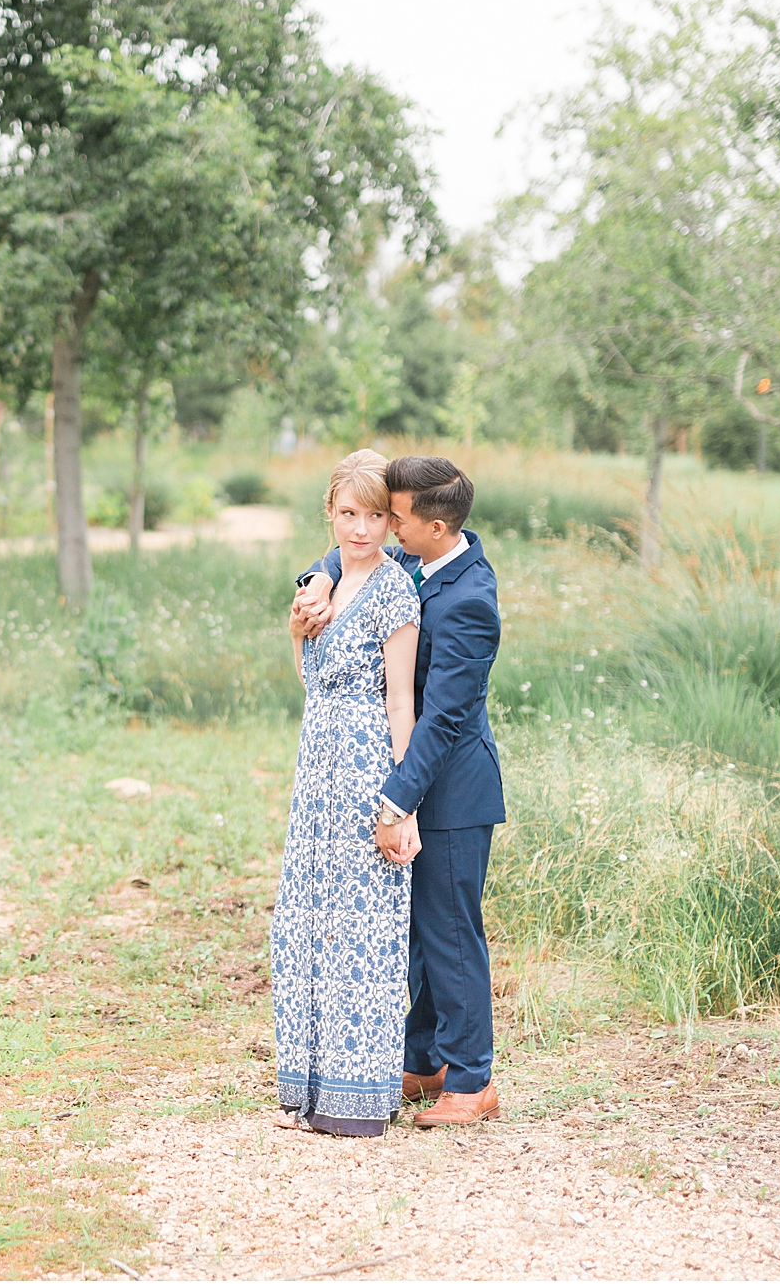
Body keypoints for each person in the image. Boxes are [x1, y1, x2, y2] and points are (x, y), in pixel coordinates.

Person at [289, 455, 507, 1127]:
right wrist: (319, 576)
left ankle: (472, 1081)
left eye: (397, 519)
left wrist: (394, 799)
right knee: (410, 932)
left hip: (449, 790)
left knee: (449, 932)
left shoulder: (468, 599)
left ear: (434, 526)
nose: (384, 528)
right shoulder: (426, 561)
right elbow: (350, 549)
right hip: (411, 778)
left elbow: (441, 718)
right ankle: (423, 1059)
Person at [271, 449, 423, 1137]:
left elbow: (401, 703)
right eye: (347, 514)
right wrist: (298, 628)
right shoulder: (317, 583)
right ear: (330, 514)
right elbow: (310, 680)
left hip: (366, 766)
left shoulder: (396, 590)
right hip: (316, 766)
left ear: (392, 519)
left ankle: (356, 1094)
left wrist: (402, 799)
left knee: (363, 926)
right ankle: (307, 1088)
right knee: (307, 917)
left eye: (374, 516)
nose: (360, 529)